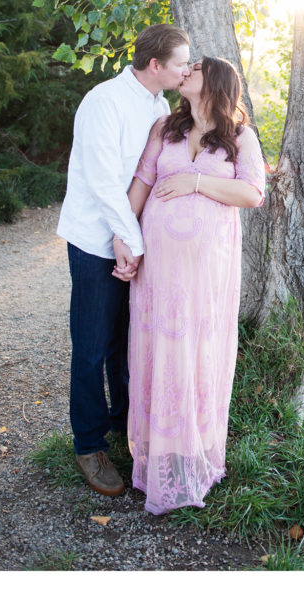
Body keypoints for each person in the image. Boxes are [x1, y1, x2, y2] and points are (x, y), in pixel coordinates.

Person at [122, 56, 265, 514]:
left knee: (198, 352)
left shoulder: (240, 137)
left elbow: (252, 194)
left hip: (207, 276)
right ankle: (157, 459)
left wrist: (195, 181)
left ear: (217, 82)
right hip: (159, 271)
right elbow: (143, 182)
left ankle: (195, 453)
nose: (187, 70)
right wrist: (123, 238)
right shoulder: (165, 127)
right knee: (159, 350)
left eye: (197, 67)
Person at [57, 24, 190, 497]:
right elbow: (102, 180)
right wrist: (126, 239)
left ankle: (123, 429)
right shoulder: (103, 101)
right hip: (96, 240)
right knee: (92, 345)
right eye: (180, 63)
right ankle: (89, 444)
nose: (186, 69)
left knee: (125, 342)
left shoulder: (158, 106)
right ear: (156, 65)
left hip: (130, 241)